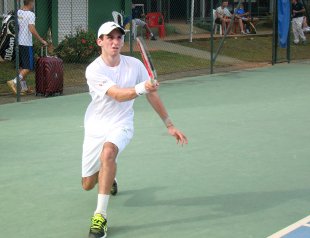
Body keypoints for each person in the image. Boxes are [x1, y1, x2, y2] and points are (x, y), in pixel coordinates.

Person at [82, 21, 188, 238]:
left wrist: (169, 124)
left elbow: (152, 94)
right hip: (95, 126)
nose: (115, 41)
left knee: (109, 152)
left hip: (121, 123)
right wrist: (142, 87)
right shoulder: (93, 70)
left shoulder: (135, 65)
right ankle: (109, 176)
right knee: (87, 184)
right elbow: (118, 94)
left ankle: (99, 216)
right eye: (109, 37)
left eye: (119, 37)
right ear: (99, 41)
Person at [6, 0, 48, 95]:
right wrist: (41, 40)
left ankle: (23, 88)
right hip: (26, 43)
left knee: (22, 66)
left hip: (18, 43)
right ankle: (14, 81)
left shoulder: (18, 12)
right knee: (29, 66)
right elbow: (31, 29)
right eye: (33, 3)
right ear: (31, 3)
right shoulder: (30, 14)